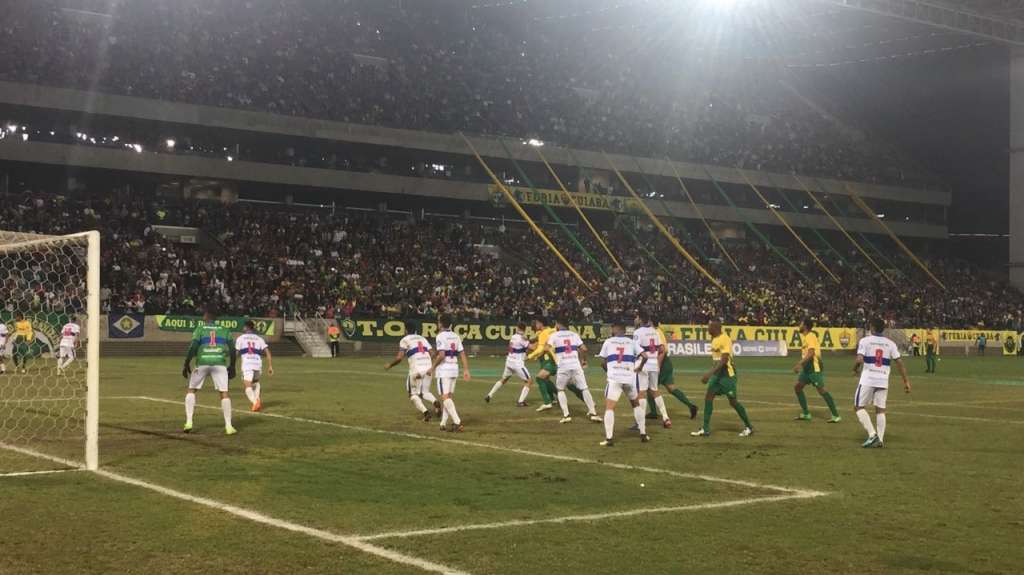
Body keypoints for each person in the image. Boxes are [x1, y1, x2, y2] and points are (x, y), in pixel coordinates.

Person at [852, 318, 911, 448]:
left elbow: (859, 359)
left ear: (872, 328)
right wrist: (906, 381)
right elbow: (899, 363)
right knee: (880, 410)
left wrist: (855, 369)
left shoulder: (865, 341)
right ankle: (880, 439)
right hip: (883, 379)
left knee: (858, 407)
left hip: (868, 379)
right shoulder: (890, 343)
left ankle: (872, 435)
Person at [690, 320, 754, 438]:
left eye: (709, 326)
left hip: (727, 375)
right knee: (708, 396)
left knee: (733, 402)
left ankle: (749, 427)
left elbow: (724, 360)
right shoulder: (714, 339)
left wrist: (709, 374)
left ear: (715, 328)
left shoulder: (725, 339)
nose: (708, 329)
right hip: (717, 375)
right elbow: (717, 360)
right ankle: (705, 429)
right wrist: (712, 373)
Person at [182, 305, 238, 435]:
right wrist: (232, 365)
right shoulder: (225, 330)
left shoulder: (200, 329)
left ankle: (189, 422)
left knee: (191, 390)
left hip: (202, 362)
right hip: (219, 363)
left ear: (206, 315)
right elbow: (232, 349)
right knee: (224, 393)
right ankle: (229, 426)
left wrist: (186, 362)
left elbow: (193, 346)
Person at [597, 321, 650, 446]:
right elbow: (645, 356)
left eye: (612, 328)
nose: (611, 330)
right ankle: (643, 434)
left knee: (610, 407)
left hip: (615, 379)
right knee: (636, 405)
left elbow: (602, 361)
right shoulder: (632, 342)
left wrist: (609, 371)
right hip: (629, 378)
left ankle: (609, 439)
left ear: (616, 329)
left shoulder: (608, 342)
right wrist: (640, 367)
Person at [545, 319, 601, 424]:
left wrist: (554, 357)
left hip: (563, 366)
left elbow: (546, 348)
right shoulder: (574, 335)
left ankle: (566, 415)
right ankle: (593, 413)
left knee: (560, 390)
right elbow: (584, 349)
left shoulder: (554, 335)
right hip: (575, 365)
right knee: (584, 388)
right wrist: (583, 360)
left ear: (558, 324)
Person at [385, 321, 439, 421]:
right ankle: (435, 402)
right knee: (424, 392)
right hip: (428, 369)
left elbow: (399, 358)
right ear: (415, 330)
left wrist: (390, 365)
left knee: (412, 394)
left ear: (406, 330)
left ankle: (426, 413)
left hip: (416, 371)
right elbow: (433, 353)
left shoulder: (404, 339)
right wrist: (427, 361)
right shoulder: (422, 338)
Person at [792, 319, 841, 423]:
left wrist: (799, 363)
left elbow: (811, 353)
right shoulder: (806, 337)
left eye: (801, 324)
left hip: (814, 368)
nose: (799, 325)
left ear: (805, 326)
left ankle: (836, 415)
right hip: (807, 369)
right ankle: (806, 414)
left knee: (821, 390)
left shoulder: (810, 336)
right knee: (798, 387)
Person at [430, 316, 470, 432]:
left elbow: (442, 355)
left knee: (445, 398)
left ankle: (457, 422)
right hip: (454, 368)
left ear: (441, 324)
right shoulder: (456, 336)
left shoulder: (440, 336)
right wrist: (466, 370)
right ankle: (443, 423)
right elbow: (462, 354)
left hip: (444, 370)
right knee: (448, 398)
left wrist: (432, 367)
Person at [652, 320, 698, 420]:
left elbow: (662, 350)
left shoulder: (656, 332)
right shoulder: (657, 331)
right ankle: (691, 406)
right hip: (665, 362)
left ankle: (653, 412)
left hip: (661, 362)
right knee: (671, 388)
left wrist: (658, 366)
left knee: (650, 388)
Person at [633, 311, 672, 429]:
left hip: (643, 364)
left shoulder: (638, 332)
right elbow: (661, 348)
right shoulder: (655, 331)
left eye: (637, 318)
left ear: (640, 320)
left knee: (641, 392)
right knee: (655, 390)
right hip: (654, 363)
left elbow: (635, 348)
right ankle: (665, 417)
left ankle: (640, 422)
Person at [485, 322, 532, 406]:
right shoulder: (522, 338)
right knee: (529, 381)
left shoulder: (513, 336)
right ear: (525, 329)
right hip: (517, 363)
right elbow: (532, 347)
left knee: (503, 379)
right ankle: (520, 402)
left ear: (518, 328)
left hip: (509, 361)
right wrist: (540, 341)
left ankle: (489, 395)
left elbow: (519, 348)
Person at [235, 320, 273, 412]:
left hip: (247, 364)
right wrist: (270, 366)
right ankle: (257, 400)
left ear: (246, 327)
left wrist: (232, 364)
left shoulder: (241, 338)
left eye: (244, 327)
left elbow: (236, 353)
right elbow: (267, 352)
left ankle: (255, 402)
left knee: (247, 384)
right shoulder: (259, 338)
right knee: (255, 383)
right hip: (257, 363)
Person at [526, 318, 558, 412]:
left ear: (540, 324)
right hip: (554, 358)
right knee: (545, 379)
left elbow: (540, 348)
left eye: (536, 323)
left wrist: (530, 356)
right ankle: (553, 398)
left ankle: (548, 402)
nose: (535, 325)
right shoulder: (552, 330)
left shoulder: (543, 333)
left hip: (549, 359)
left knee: (540, 378)